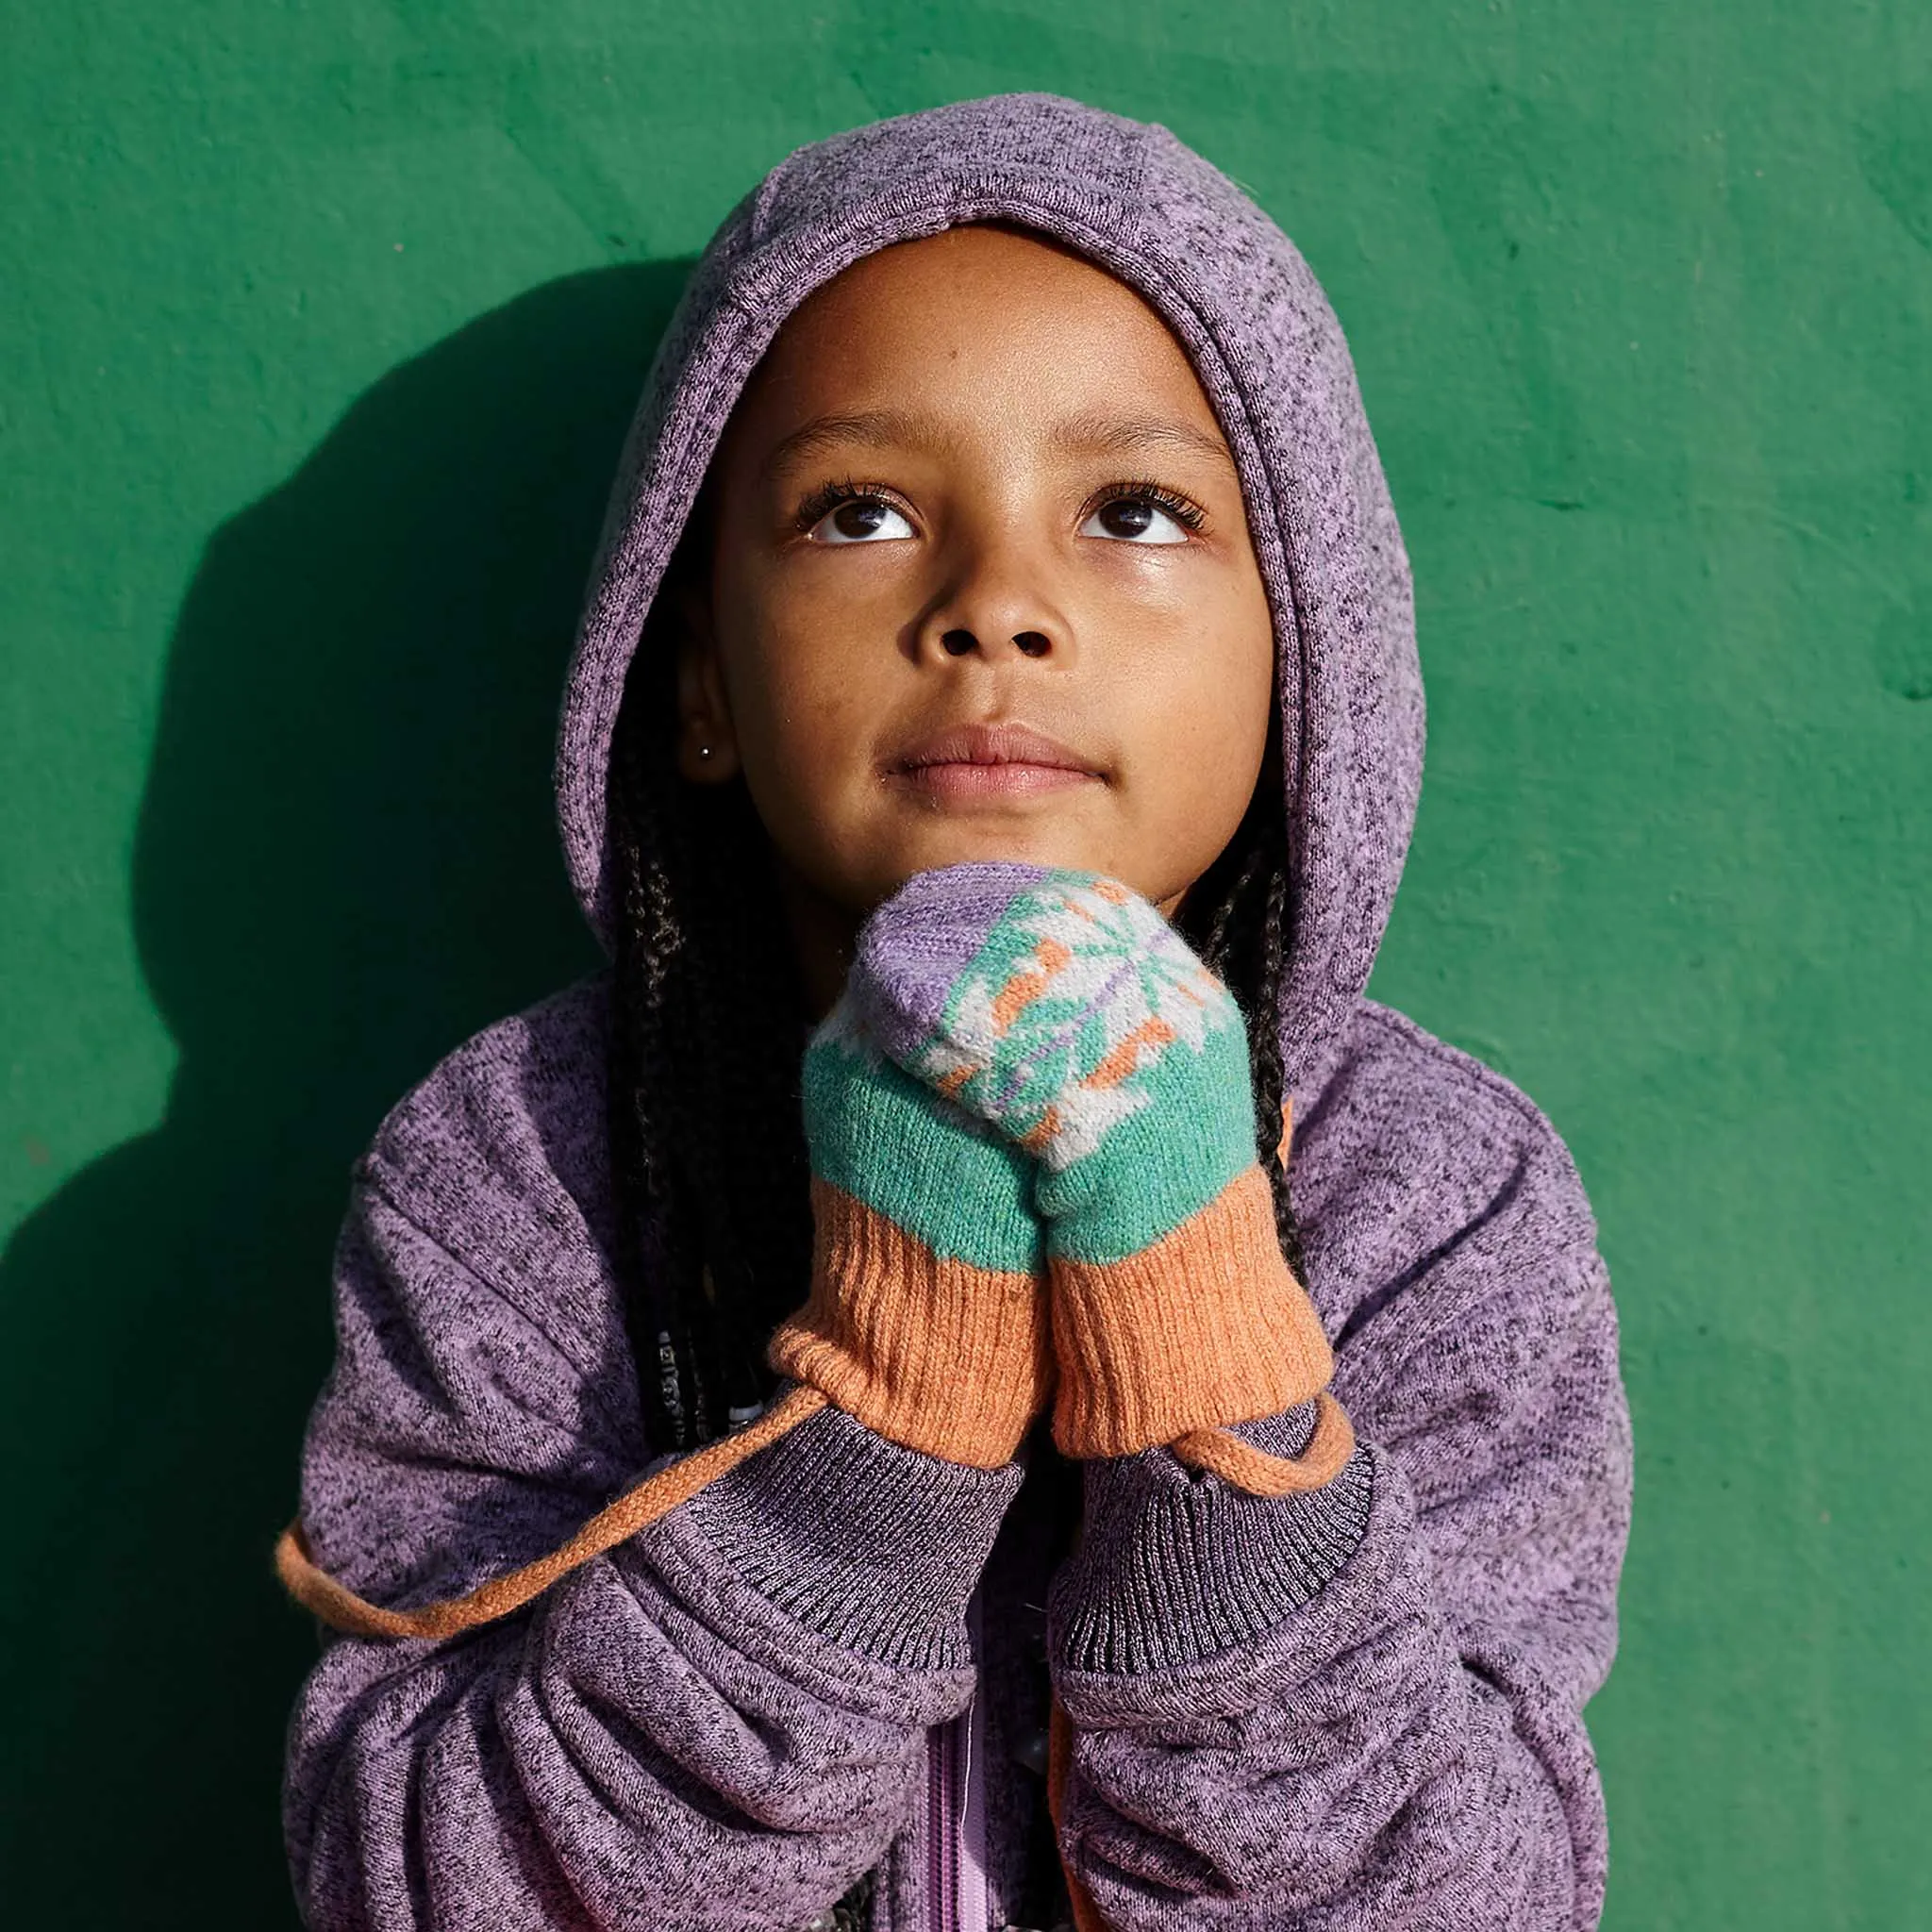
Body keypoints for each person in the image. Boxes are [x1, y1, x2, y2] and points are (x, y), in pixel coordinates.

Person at [277, 93, 1632, 1932]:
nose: (995, 604)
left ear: (1296, 647)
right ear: (698, 683)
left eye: (1134, 512)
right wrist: (875, 1445)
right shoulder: (520, 1168)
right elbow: (426, 1893)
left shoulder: (1434, 1195)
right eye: (861, 510)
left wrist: (1214, 1364)